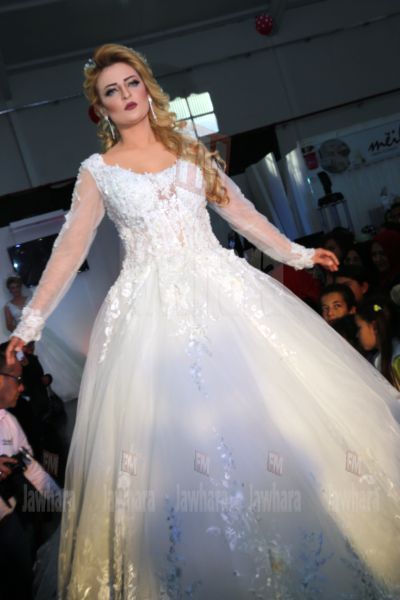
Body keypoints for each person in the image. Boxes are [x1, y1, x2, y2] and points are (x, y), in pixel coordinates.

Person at [6, 43, 400, 598]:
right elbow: (69, 251)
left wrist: (297, 254)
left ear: (147, 88)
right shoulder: (98, 172)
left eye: (132, 83)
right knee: (178, 439)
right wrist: (28, 326)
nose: (126, 95)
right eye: (112, 91)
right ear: (100, 109)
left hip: (224, 293)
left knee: (272, 413)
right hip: (150, 316)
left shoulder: (190, 150)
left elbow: (239, 211)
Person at [0, 342, 59, 600]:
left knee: (23, 581)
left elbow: (32, 468)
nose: (22, 387)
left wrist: (64, 502)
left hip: (9, 523)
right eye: (18, 380)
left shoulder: (9, 422)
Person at [355, 296, 400, 390]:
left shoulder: (397, 358)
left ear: (374, 327)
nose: (357, 335)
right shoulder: (378, 358)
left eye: (359, 328)